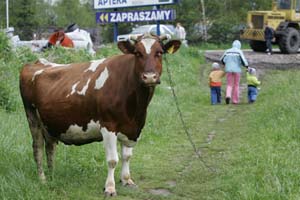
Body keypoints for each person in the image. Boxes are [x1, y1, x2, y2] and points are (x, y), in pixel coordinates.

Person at [221, 40, 249, 104]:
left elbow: (222, 59)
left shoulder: (227, 51)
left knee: (229, 84)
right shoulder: (239, 51)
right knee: (236, 85)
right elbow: (244, 61)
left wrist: (225, 64)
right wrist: (246, 66)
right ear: (239, 46)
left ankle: (228, 95)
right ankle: (235, 100)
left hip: (228, 70)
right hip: (237, 70)